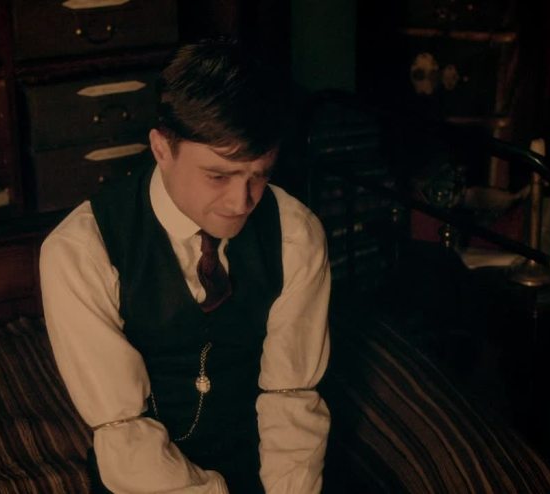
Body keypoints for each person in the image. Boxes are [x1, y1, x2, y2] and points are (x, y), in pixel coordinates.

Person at [39, 38, 331, 493]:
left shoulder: (296, 234)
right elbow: (124, 430)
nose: (241, 202)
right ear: (162, 148)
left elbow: (291, 397)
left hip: (260, 460)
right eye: (218, 175)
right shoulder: (80, 251)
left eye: (259, 175)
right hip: (148, 478)